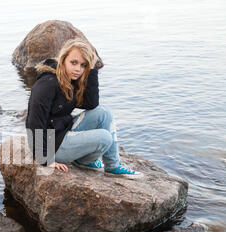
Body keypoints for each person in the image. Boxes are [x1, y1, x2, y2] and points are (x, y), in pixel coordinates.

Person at [25, 39, 143, 179]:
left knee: (103, 112)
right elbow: (34, 122)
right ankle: (85, 160)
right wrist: (45, 160)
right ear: (63, 59)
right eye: (73, 62)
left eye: (83, 65)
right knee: (104, 137)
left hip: (63, 131)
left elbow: (91, 104)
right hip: (52, 145)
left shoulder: (71, 79)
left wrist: (92, 71)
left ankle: (112, 166)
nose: (78, 69)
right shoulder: (47, 84)